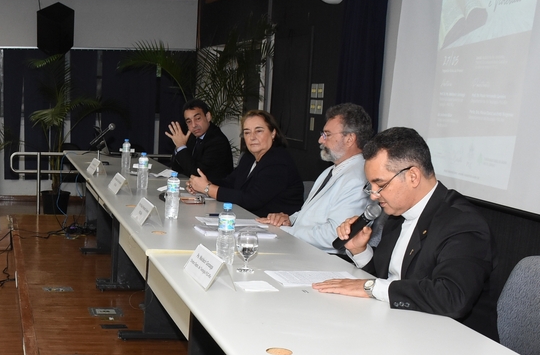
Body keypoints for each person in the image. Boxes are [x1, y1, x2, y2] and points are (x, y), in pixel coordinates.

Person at [312, 127, 498, 340]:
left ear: (413, 176)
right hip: (401, 329)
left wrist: (370, 287)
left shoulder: (463, 223)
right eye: (370, 186)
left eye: (380, 184)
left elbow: (452, 297)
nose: (373, 196)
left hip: (453, 342)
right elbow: (388, 279)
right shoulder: (397, 215)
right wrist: (360, 250)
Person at [256, 103, 372, 252]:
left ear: (349, 139)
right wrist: (289, 220)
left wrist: (286, 231)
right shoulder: (332, 170)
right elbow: (310, 215)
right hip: (303, 248)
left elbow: (335, 235)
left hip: (324, 257)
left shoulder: (358, 178)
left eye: (327, 135)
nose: (320, 140)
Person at [188, 109, 304, 216]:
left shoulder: (278, 162)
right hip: (250, 219)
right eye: (247, 132)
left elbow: (251, 200)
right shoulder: (249, 157)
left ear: (273, 133)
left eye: (259, 131)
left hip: (278, 227)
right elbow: (230, 183)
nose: (252, 137)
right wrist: (202, 184)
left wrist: (208, 188)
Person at [165, 99, 233, 181]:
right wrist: (178, 147)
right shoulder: (192, 136)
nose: (194, 125)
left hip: (214, 187)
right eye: (189, 121)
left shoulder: (217, 141)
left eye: (197, 118)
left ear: (208, 117)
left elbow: (197, 174)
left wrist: (181, 147)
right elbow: (177, 168)